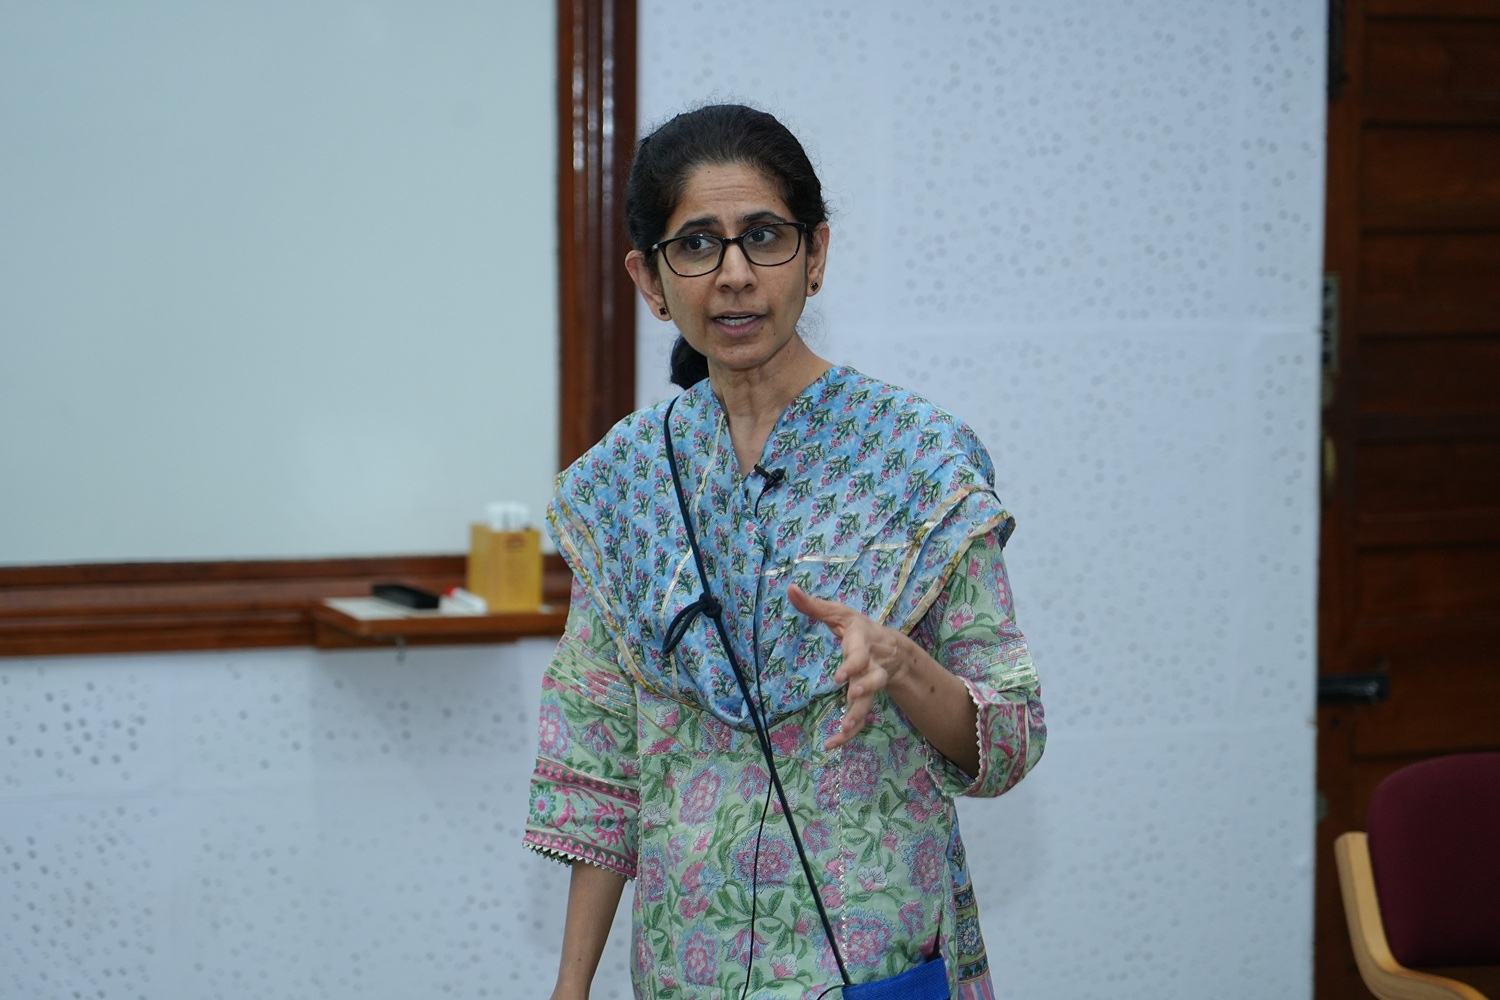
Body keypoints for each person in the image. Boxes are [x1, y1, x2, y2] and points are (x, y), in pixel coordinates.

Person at [524, 103, 1045, 1000]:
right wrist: (570, 990)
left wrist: (901, 663)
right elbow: (599, 775)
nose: (734, 274)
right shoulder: (624, 486)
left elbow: (1011, 740)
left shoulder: (918, 460)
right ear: (650, 279)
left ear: (816, 254)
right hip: (686, 972)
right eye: (697, 244)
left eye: (764, 236)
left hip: (876, 965)